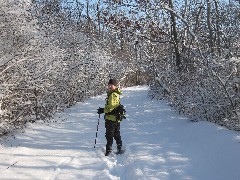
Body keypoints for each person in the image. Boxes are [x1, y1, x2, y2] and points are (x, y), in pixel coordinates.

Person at [97, 79, 123, 156]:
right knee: (116, 134)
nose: (110, 86)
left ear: (115, 86)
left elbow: (111, 107)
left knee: (109, 135)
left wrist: (102, 110)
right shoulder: (114, 94)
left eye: (111, 85)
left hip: (111, 118)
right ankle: (119, 148)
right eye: (109, 85)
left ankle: (108, 151)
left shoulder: (113, 95)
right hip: (116, 118)